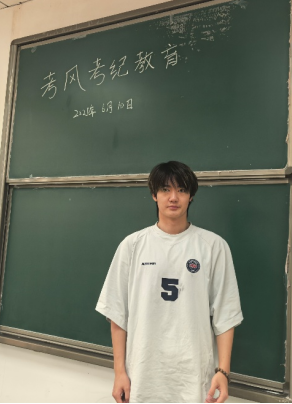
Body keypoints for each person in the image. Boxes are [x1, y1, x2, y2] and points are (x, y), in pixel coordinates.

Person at [96, 161, 243, 403]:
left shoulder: (214, 246)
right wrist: (119, 372)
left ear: (191, 196)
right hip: (142, 376)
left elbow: (226, 315)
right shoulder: (132, 246)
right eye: (165, 189)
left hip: (195, 379)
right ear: (154, 195)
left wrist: (223, 372)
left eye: (181, 190)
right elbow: (117, 314)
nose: (173, 197)